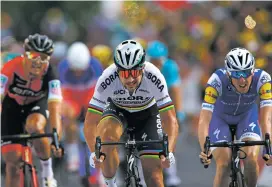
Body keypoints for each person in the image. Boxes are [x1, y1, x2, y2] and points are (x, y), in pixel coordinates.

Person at [83, 39, 179, 187]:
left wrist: (169, 151)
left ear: (142, 68)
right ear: (117, 70)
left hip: (147, 114)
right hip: (118, 111)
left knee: (154, 176)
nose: (130, 79)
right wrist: (93, 152)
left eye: (134, 72)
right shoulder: (107, 77)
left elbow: (170, 118)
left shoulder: (154, 76)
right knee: (107, 138)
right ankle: (110, 183)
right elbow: (90, 121)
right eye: (125, 73)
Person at [198, 47, 272, 187]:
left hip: (247, 117)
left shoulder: (263, 79)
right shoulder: (216, 80)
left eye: (246, 72)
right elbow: (204, 120)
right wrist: (204, 149)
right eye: (236, 74)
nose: (242, 79)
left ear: (253, 70)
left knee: (250, 158)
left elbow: (266, 118)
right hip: (220, 119)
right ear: (228, 73)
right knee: (224, 164)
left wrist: (269, 147)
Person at [1, 33, 64, 187]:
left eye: (43, 57)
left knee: (35, 126)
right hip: (12, 107)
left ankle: (47, 173)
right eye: (34, 55)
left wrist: (56, 139)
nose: (38, 61)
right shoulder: (10, 68)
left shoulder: (51, 73)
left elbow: (55, 107)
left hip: (37, 105)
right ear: (25, 54)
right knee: (12, 163)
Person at [58, 42, 104, 186]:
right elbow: (60, 95)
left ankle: (102, 172)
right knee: (68, 114)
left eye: (81, 71)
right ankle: (72, 151)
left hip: (89, 97)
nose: (78, 74)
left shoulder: (95, 66)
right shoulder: (63, 68)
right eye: (75, 71)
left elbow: (102, 91)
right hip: (72, 99)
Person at [146, 40, 183, 187]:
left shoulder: (170, 67)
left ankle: (171, 173)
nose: (156, 64)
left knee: (166, 137)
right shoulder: (144, 68)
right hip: (147, 102)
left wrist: (178, 113)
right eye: (153, 61)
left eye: (159, 61)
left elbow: (175, 91)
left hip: (164, 102)